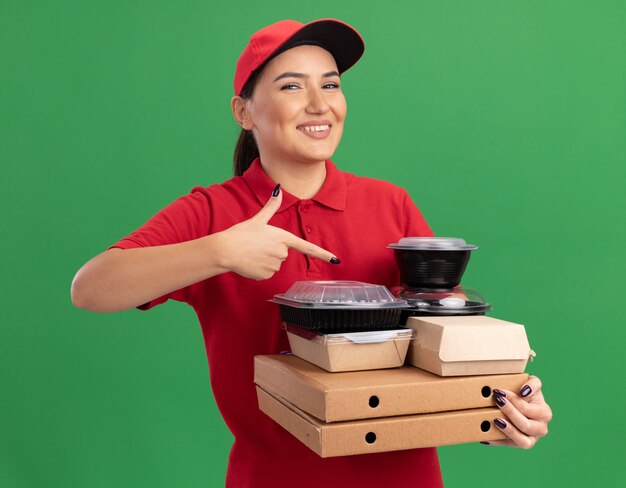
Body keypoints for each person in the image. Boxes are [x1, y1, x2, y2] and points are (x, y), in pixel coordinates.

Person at [71, 18, 552, 488]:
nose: (320, 105)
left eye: (332, 85)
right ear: (244, 111)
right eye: (292, 87)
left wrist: (506, 410)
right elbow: (91, 287)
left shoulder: (391, 204)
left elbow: (447, 343)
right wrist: (221, 250)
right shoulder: (214, 212)